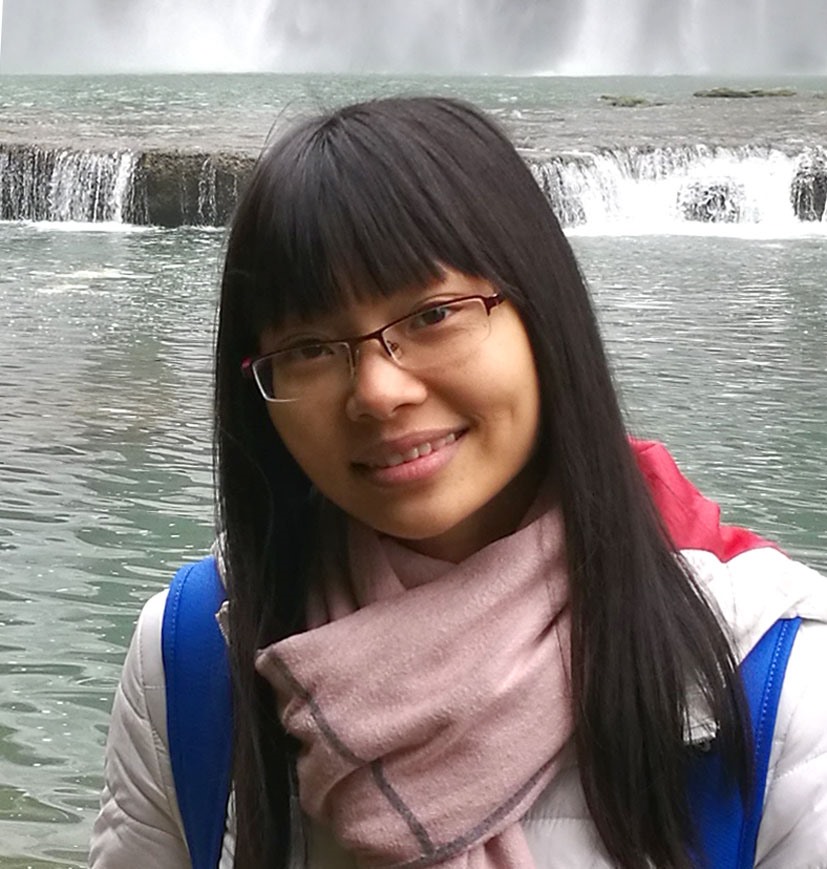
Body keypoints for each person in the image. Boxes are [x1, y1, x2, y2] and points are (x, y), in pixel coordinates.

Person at [89, 96, 827, 869]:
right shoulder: (190, 662)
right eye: (308, 347)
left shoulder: (777, 691)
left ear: (542, 313)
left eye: (433, 314)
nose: (378, 391)